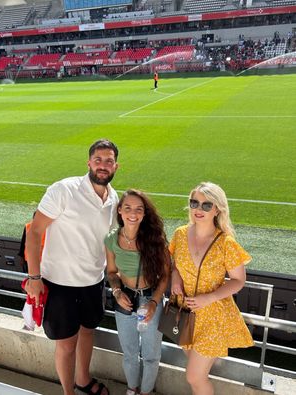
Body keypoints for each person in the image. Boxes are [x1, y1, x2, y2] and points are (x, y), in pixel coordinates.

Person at [25, 139, 119, 395]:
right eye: (98, 160)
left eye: (108, 161)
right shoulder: (64, 189)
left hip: (93, 282)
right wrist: (34, 277)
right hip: (60, 284)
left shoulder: (113, 198)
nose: (103, 165)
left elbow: (107, 241)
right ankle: (69, 393)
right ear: (88, 162)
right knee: (66, 344)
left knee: (88, 332)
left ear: (116, 166)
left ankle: (83, 381)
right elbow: (34, 233)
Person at [170, 182, 254, 395]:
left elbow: (238, 280)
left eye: (207, 205)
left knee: (194, 376)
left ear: (218, 209)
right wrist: (175, 278)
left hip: (212, 317)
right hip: (186, 314)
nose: (199, 209)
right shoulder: (180, 234)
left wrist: (209, 298)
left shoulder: (226, 242)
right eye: (195, 203)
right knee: (196, 375)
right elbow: (173, 264)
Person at [105, 189, 170, 395]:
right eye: (128, 208)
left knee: (151, 355)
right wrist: (116, 291)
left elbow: (166, 276)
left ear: (144, 214)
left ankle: (146, 391)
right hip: (125, 300)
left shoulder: (155, 240)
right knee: (129, 353)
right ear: (120, 211)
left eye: (138, 209)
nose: (133, 213)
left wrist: (153, 302)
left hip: (151, 299)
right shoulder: (111, 240)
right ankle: (132, 389)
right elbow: (112, 272)